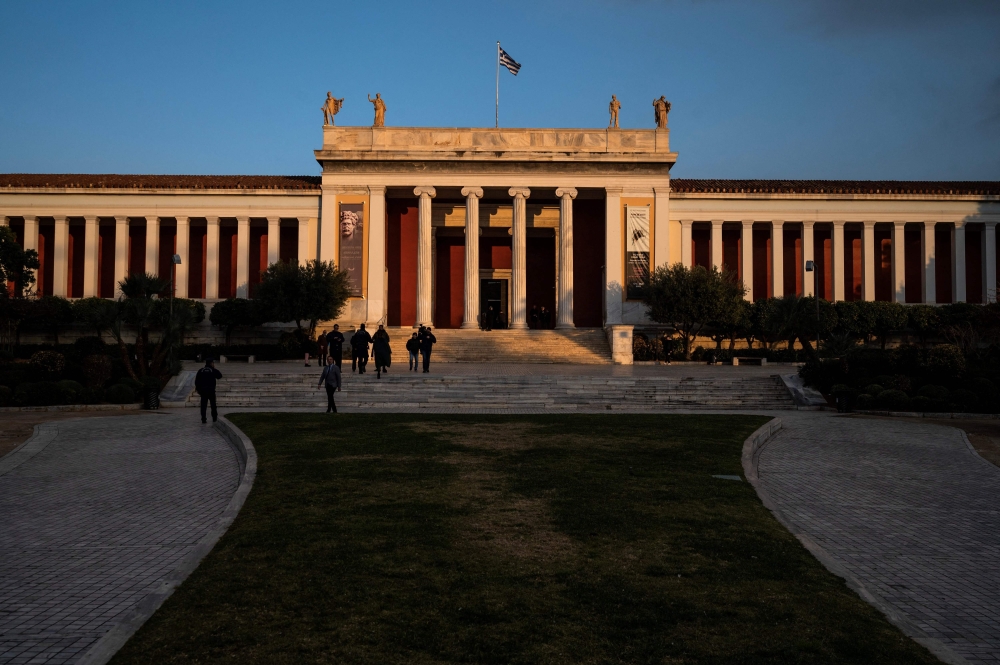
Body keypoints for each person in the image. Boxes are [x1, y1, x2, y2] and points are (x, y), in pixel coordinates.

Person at [194, 358, 223, 424]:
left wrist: (198, 389)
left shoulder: (201, 370)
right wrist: (214, 369)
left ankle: (203, 419)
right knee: (213, 405)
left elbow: (197, 381)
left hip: (203, 391)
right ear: (211, 363)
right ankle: (214, 418)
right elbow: (220, 376)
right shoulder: (213, 370)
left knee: (203, 405)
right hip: (211, 390)